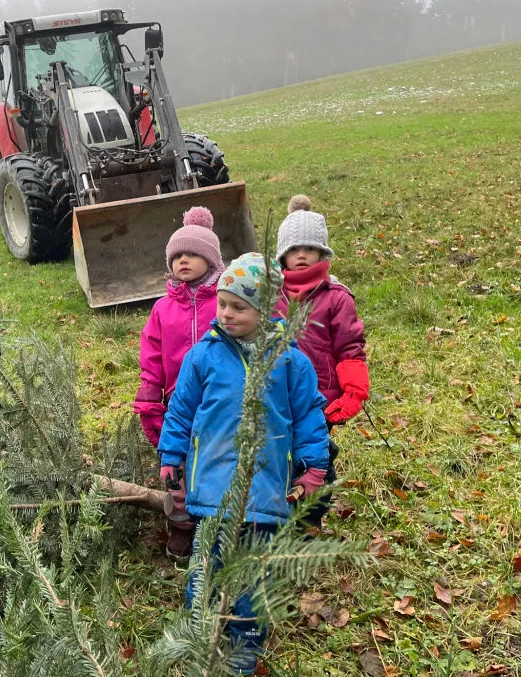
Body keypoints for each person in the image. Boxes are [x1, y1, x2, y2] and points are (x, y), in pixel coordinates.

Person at [157, 252, 330, 675]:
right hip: (213, 491)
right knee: (205, 565)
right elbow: (181, 410)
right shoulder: (205, 356)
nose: (227, 314)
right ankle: (196, 636)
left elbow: (308, 414)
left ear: (265, 308)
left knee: (252, 578)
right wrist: (171, 456)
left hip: (262, 491)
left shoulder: (289, 360)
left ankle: (243, 650)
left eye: (239, 306)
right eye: (223, 304)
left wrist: (314, 466)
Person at [133, 206, 224, 558]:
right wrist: (150, 390)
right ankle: (182, 526)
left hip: (219, 402)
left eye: (193, 254)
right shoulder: (162, 309)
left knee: (216, 462)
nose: (183, 260)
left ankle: (217, 523)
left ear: (212, 261)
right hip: (177, 404)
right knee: (179, 469)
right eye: (177, 256)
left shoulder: (225, 303)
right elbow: (152, 354)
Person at [273, 194, 368, 530]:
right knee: (281, 456)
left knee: (315, 458)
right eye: (295, 249)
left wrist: (354, 390)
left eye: (310, 249)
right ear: (283, 254)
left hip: (321, 398)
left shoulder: (336, 297)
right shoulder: (271, 295)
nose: (302, 255)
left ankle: (311, 516)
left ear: (322, 253)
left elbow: (350, 346)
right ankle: (280, 510)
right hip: (278, 396)